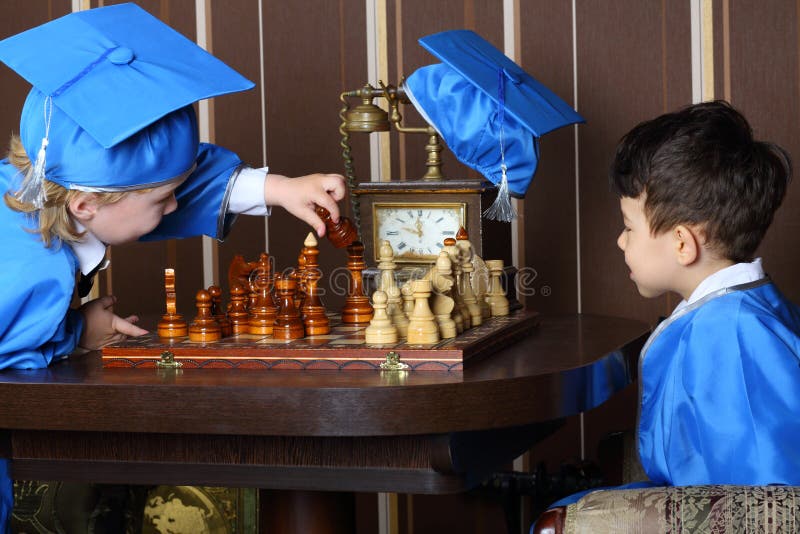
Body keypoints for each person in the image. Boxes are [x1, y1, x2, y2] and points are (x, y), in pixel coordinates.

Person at [0, 3, 345, 526]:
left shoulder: (32, 183)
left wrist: (280, 189)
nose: (174, 208)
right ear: (85, 205)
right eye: (163, 199)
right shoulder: (33, 277)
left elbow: (162, 173)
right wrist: (72, 331)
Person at [540, 100, 800, 517]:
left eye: (629, 227)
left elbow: (768, 508)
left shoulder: (735, 335)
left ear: (682, 243)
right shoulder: (731, 314)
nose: (621, 241)